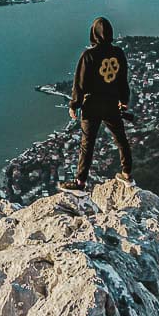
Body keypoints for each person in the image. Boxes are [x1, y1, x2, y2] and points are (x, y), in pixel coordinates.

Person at [61, 16, 133, 193]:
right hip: (111, 104)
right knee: (121, 139)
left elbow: (80, 83)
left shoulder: (89, 55)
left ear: (93, 33)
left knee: (87, 145)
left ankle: (80, 183)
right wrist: (124, 102)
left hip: (92, 105)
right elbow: (123, 81)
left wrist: (74, 105)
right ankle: (127, 174)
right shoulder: (118, 53)